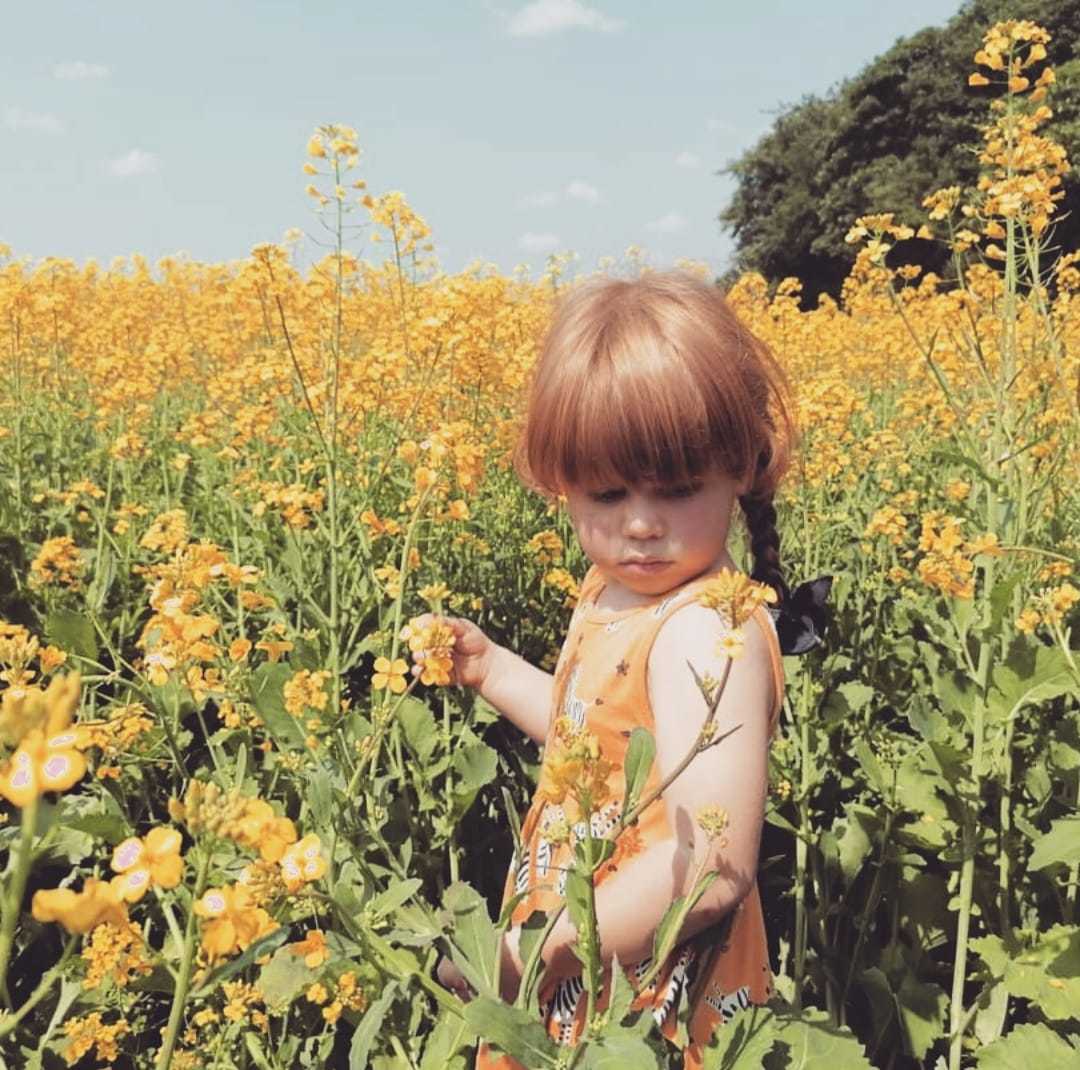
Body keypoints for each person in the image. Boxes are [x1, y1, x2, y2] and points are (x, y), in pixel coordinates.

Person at [412, 269, 815, 1068]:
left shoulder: (704, 632)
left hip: (644, 991)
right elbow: (591, 733)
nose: (638, 523)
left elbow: (715, 868)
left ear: (741, 465)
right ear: (559, 482)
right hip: (586, 955)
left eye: (674, 490)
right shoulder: (620, 590)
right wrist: (492, 670)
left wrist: (532, 956)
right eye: (605, 493)